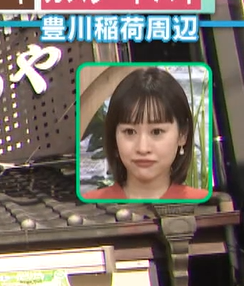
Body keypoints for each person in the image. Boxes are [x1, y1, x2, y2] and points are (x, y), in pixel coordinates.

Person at [83, 67, 209, 202]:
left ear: (182, 135)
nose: (143, 148)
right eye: (130, 132)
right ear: (114, 136)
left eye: (156, 132)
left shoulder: (205, 205)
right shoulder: (89, 205)